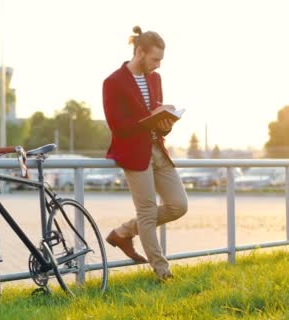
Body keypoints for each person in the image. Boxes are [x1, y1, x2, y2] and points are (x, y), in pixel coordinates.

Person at [102, 26, 188, 280]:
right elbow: (118, 128)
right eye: (155, 59)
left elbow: (155, 119)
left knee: (178, 205)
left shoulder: (154, 79)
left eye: (160, 60)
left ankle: (123, 232)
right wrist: (149, 118)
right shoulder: (113, 82)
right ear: (139, 52)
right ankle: (163, 273)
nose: (158, 65)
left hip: (158, 151)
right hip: (134, 154)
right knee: (148, 214)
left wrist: (165, 123)